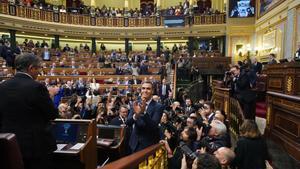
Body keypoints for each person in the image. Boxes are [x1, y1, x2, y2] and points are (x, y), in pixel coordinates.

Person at [0, 53, 58, 169]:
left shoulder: (2, 87)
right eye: (39, 68)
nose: (40, 72)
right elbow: (52, 114)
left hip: (7, 147)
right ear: (31, 68)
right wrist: (51, 96)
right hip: (34, 148)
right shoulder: (36, 87)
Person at [126, 81, 164, 153]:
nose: (145, 91)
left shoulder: (158, 107)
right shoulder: (135, 103)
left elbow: (154, 126)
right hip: (133, 144)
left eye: (148, 89)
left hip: (148, 145)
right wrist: (136, 115)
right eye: (143, 88)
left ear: (152, 91)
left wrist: (143, 113)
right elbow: (128, 122)